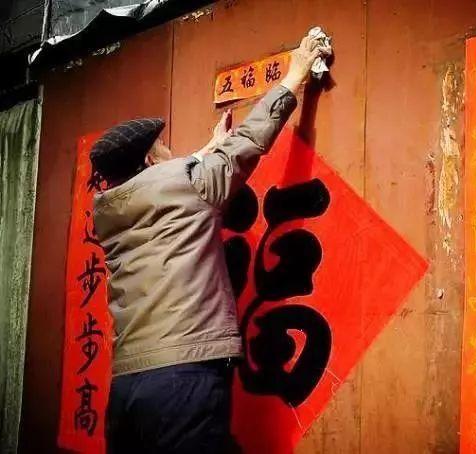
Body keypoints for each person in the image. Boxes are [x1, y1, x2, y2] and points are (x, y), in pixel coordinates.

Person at [90, 33, 331, 454]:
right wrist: (295, 74)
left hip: (128, 386)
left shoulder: (109, 214)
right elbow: (248, 142)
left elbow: (169, 180)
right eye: (163, 147)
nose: (172, 151)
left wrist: (211, 147)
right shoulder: (188, 186)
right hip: (183, 376)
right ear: (150, 159)